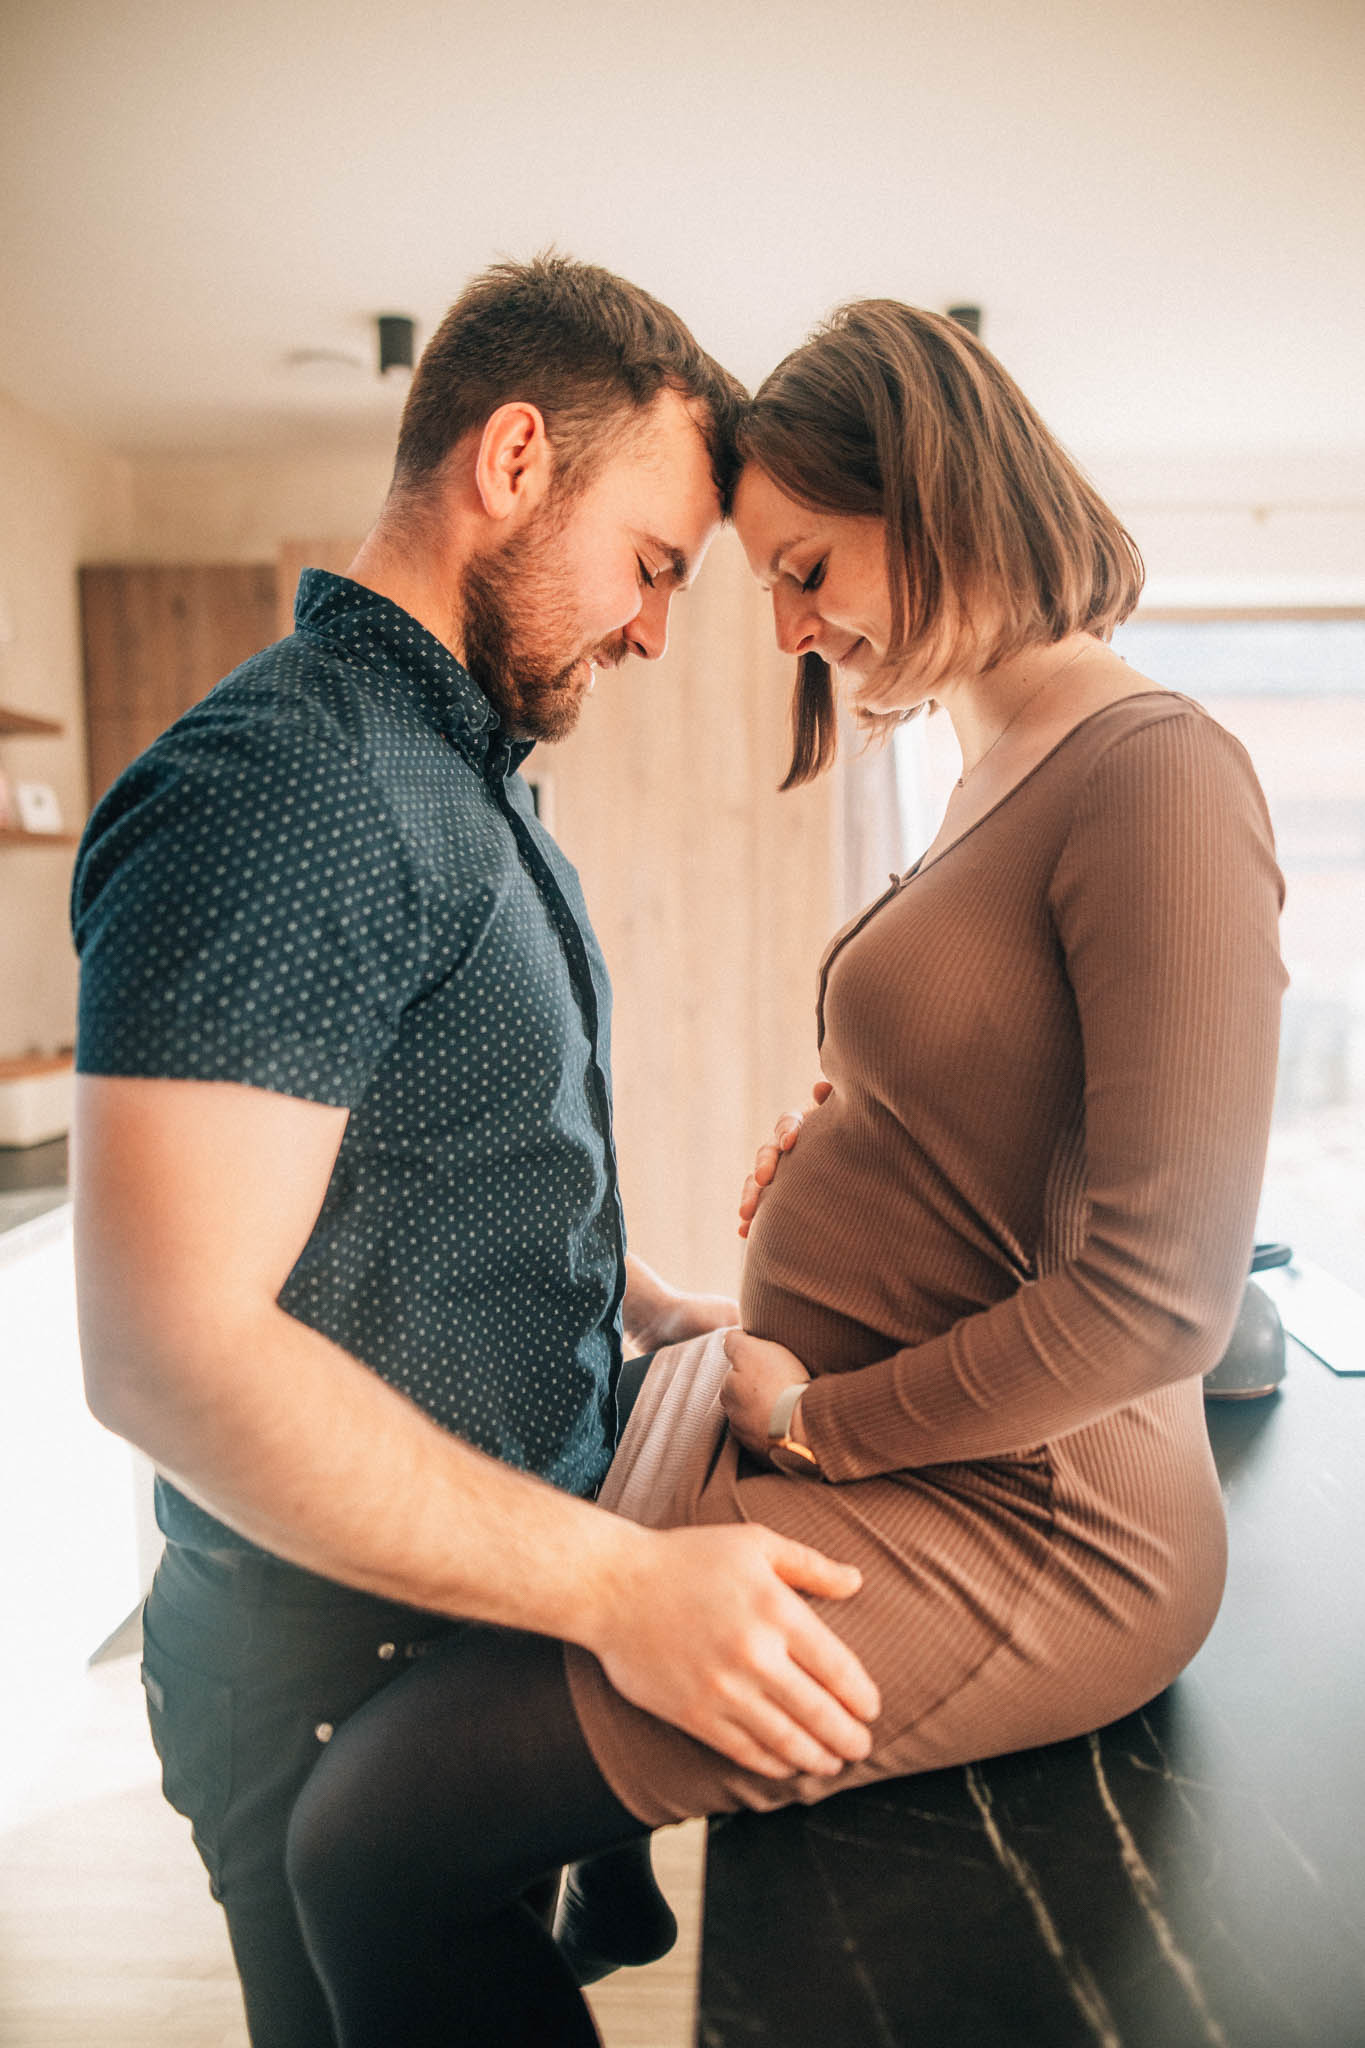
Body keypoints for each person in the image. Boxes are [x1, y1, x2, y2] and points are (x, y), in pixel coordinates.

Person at [279, 299, 1287, 2046]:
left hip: (1030, 1524)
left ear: (946, 488)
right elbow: (1013, 1117)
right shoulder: (994, 771)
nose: (793, 628)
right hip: (890, 1447)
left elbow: (1158, 1295)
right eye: (764, 585)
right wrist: (867, 1144)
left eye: (805, 566)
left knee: (377, 1837)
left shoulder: (1157, 773)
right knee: (413, 1751)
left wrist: (821, 1423)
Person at [69, 256, 882, 2048]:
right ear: (513, 460)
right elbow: (165, 1349)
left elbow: (460, 1190)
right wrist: (628, 1590)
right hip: (325, 1681)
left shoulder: (458, 777)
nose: (662, 631)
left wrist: (666, 1321)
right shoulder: (292, 785)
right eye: (657, 564)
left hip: (452, 1630)